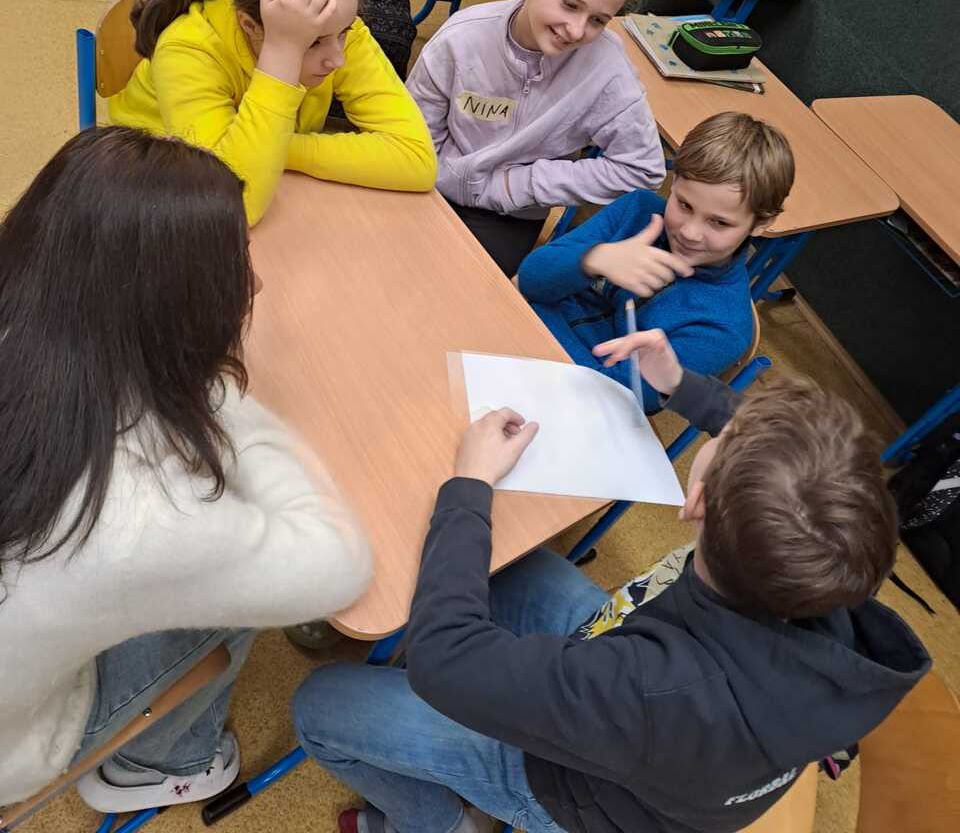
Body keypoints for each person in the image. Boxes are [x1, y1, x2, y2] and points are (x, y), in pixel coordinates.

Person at [291, 329, 929, 833]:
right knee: (503, 567)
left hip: (566, 792)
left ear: (696, 502)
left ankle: (436, 823)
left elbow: (443, 661)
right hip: (656, 681)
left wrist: (470, 484)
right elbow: (788, 453)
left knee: (320, 704)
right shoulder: (832, 553)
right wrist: (680, 385)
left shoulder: (651, 690)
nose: (725, 426)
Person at [0, 127, 371, 813]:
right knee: (236, 591)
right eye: (237, 268)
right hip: (18, 747)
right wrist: (210, 387)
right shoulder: (143, 515)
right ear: (174, 313)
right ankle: (160, 764)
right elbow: (338, 565)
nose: (253, 284)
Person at [109, 0, 436, 224]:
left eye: (345, 32)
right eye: (313, 43)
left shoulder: (330, 24)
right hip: (149, 187)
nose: (337, 59)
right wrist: (283, 52)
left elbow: (416, 157)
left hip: (253, 179)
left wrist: (279, 148)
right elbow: (235, 205)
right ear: (249, 25)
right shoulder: (188, 50)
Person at [406, 0, 665, 276]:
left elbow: (643, 167)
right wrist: (446, 178)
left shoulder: (607, 69)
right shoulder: (462, 39)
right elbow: (415, 137)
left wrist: (522, 185)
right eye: (570, 4)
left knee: (459, 288)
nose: (576, 30)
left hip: (509, 214)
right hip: (430, 184)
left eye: (598, 20)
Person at [518, 112, 795, 407]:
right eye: (684, 205)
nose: (689, 232)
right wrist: (594, 259)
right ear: (673, 182)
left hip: (569, 396)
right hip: (524, 338)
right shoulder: (638, 209)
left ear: (761, 224)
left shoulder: (725, 325)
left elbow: (619, 399)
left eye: (719, 223)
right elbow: (532, 278)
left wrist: (537, 314)